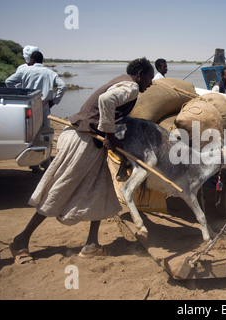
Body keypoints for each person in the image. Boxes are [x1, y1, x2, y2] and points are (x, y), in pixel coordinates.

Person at [9, 58, 154, 264]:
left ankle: (91, 245)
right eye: (149, 78)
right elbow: (106, 102)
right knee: (59, 189)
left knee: (101, 191)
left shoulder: (121, 81)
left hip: (91, 144)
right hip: (83, 142)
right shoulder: (130, 87)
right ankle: (20, 240)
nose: (150, 83)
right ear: (139, 74)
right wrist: (110, 135)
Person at [6, 51, 66, 129]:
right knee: (45, 131)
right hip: (44, 105)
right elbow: (63, 86)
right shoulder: (50, 73)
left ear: (32, 60)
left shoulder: (25, 70)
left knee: (28, 129)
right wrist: (54, 101)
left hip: (28, 104)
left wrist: (19, 95)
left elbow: (8, 81)